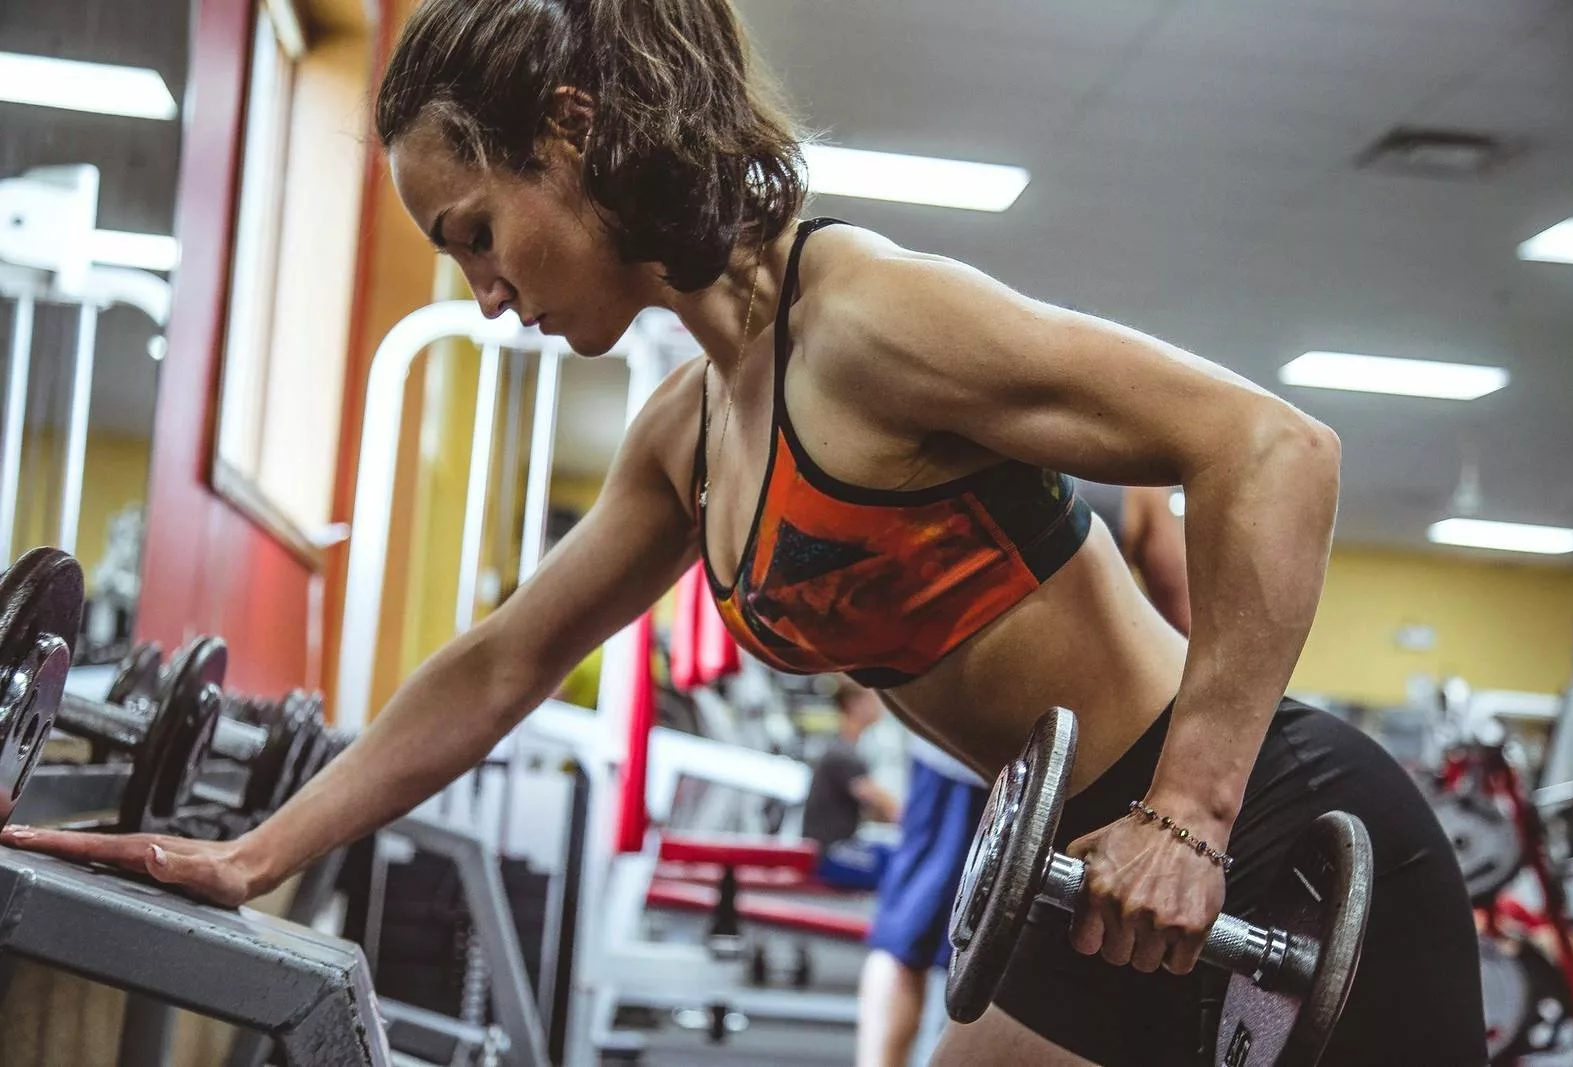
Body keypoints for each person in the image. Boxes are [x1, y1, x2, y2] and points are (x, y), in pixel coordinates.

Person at [1, 2, 1486, 1063]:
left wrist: (1194, 810)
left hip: (1276, 830)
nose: (482, 288)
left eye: (473, 229)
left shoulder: (868, 318)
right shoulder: (694, 430)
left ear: (568, 136)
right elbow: (505, 657)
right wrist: (251, 853)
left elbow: (1276, 448)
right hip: (1087, 866)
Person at [858, 482, 1193, 1067]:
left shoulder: (984, 431)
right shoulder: (1136, 480)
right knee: (1031, 941)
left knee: (914, 933)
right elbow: (1187, 617)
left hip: (967, 729)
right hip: (1080, 751)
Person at [801, 679, 901, 890]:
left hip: (838, 847)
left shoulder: (846, 750)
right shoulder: (842, 754)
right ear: (856, 704)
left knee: (894, 856)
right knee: (898, 865)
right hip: (829, 854)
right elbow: (881, 802)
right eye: (874, 699)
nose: (880, 706)